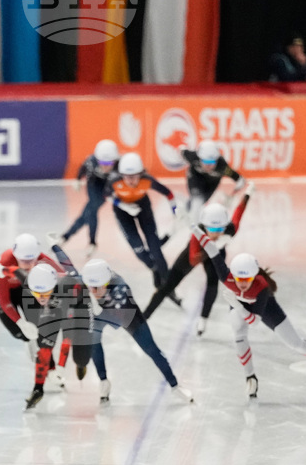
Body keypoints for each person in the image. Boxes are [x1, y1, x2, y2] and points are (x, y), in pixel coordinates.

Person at [192, 228, 306, 400]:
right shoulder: (226, 276)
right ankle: (250, 377)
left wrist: (236, 304)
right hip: (238, 304)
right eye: (239, 279)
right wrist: (193, 227)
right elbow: (211, 249)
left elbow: (255, 322)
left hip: (264, 307)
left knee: (295, 343)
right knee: (238, 333)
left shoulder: (261, 286)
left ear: (254, 277)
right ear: (233, 275)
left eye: (247, 280)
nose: (242, 284)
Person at [49, 242, 194, 405]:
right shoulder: (92, 278)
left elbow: (116, 308)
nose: (94, 291)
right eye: (91, 287)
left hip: (127, 316)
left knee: (152, 349)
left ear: (106, 281)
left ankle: (175, 385)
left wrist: (94, 305)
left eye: (98, 287)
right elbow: (69, 268)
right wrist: (56, 247)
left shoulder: (120, 287)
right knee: (94, 340)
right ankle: (103, 381)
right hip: (104, 312)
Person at [144, 185, 254, 335]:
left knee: (213, 283)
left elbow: (238, 212)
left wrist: (247, 195)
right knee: (167, 285)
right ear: (205, 226)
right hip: (197, 253)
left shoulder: (229, 230)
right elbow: (193, 260)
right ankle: (144, 317)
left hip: (216, 254)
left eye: (220, 229)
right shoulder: (199, 233)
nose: (216, 233)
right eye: (213, 229)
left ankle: (203, 319)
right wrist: (214, 244)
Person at [20, 263, 90, 410]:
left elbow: (68, 333)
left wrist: (61, 366)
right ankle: (38, 389)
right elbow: (15, 272)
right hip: (55, 305)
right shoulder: (34, 285)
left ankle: (81, 363)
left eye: (44, 293)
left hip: (78, 307)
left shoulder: (65, 291)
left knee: (81, 357)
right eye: (36, 294)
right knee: (44, 346)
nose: (40, 298)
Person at [106, 152, 181, 288]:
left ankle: (168, 285)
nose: (131, 181)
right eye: (127, 177)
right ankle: (154, 269)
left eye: (134, 177)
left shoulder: (147, 180)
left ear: (141, 173)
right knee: (139, 250)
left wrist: (176, 212)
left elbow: (168, 193)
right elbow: (107, 194)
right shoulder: (114, 180)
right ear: (121, 175)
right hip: (123, 214)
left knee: (155, 249)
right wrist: (123, 206)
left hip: (143, 208)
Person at [52, 139, 119, 256]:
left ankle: (67, 237)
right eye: (102, 163)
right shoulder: (91, 161)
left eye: (109, 164)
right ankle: (90, 242)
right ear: (97, 159)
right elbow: (83, 167)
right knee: (91, 210)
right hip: (93, 183)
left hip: (106, 187)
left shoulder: (119, 166)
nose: (105, 166)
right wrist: (78, 179)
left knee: (88, 213)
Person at [181, 140, 249, 218]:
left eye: (212, 162)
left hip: (212, 183)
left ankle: (186, 211)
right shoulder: (192, 157)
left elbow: (240, 181)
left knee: (201, 202)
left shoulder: (222, 166)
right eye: (205, 161)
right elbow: (181, 150)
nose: (208, 165)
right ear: (199, 158)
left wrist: (233, 193)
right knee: (197, 200)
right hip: (196, 177)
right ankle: (192, 222)